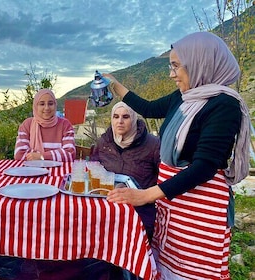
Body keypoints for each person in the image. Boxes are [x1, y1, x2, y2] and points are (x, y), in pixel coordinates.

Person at [104, 32, 250, 280]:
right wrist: (115, 85)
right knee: (168, 267)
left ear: (199, 63)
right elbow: (149, 108)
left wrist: (146, 195)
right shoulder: (183, 97)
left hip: (200, 205)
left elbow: (204, 167)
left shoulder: (223, 105)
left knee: (193, 271)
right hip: (173, 199)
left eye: (176, 66)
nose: (171, 74)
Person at [91, 101, 160, 241]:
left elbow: (164, 178)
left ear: (133, 119)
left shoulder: (152, 144)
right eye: (116, 117)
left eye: (125, 117)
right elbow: (92, 167)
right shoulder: (104, 141)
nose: (120, 121)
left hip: (140, 209)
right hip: (107, 204)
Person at [14, 88, 76, 162]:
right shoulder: (27, 125)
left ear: (55, 105)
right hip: (32, 171)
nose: (46, 108)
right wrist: (55, 156)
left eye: (50, 104)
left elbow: (70, 154)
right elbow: (19, 154)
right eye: (42, 104)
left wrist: (42, 156)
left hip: (59, 172)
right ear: (36, 106)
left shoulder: (65, 125)